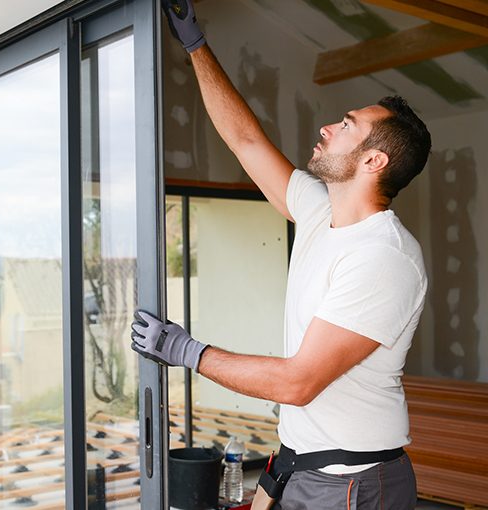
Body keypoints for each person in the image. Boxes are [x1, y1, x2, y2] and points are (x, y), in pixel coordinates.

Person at [130, 1, 432, 508]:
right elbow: (246, 141)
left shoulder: (384, 257)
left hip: (350, 485)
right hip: (303, 467)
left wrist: (189, 353)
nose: (327, 128)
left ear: (373, 161)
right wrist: (194, 44)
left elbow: (298, 382)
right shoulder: (320, 212)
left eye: (346, 126)